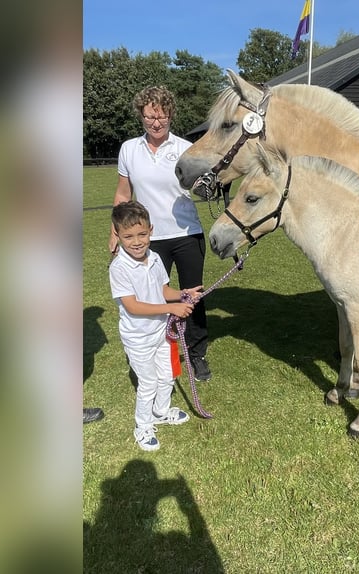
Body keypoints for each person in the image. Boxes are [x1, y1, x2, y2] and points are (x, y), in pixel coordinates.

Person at [109, 85, 212, 382]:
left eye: (162, 118)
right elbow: (122, 193)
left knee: (193, 297)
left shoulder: (183, 148)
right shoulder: (129, 149)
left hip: (186, 234)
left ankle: (196, 354)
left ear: (170, 116)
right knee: (151, 297)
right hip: (147, 239)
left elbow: (199, 186)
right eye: (150, 117)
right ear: (141, 115)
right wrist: (115, 232)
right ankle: (149, 355)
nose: (156, 123)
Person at [109, 201, 203, 451]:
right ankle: (142, 425)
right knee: (148, 382)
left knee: (167, 375)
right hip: (138, 338)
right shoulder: (119, 268)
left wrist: (182, 294)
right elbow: (133, 306)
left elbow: (162, 290)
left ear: (151, 230)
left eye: (142, 234)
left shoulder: (155, 258)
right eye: (128, 236)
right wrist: (171, 308)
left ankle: (161, 412)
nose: (137, 241)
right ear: (117, 235)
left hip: (161, 332)